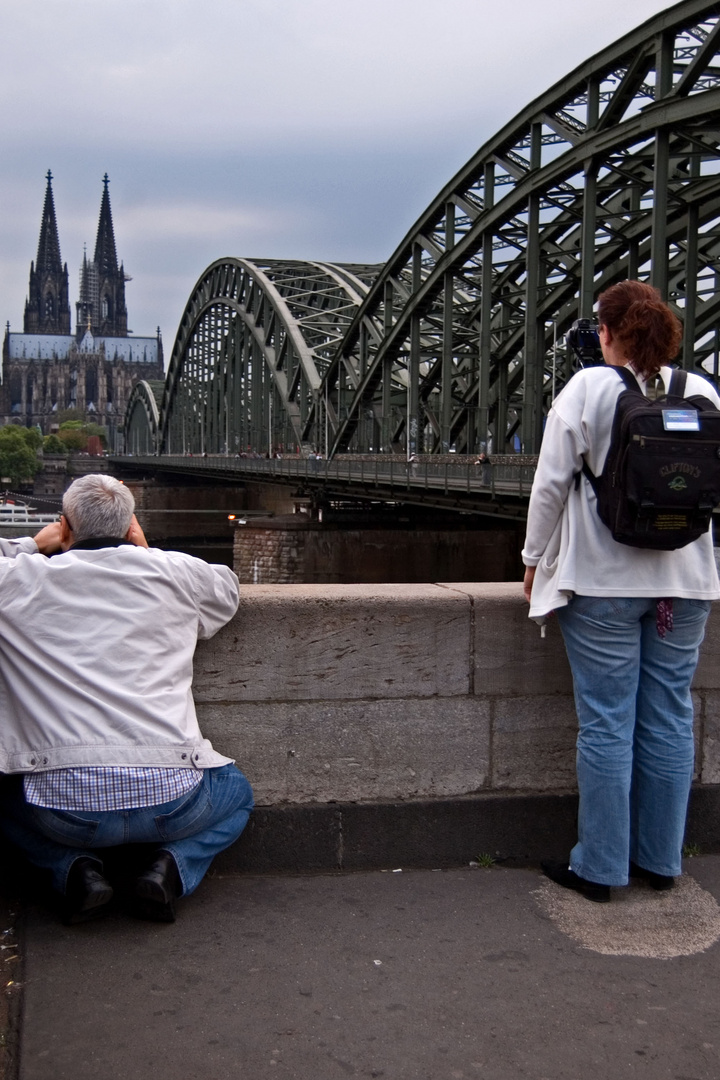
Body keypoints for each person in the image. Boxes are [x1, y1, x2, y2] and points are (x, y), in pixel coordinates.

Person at [522, 280, 720, 903]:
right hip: (685, 588)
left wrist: (532, 561)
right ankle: (661, 861)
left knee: (607, 726)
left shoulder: (587, 388)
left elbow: (550, 488)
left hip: (604, 584)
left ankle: (601, 869)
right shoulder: (703, 391)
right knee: (669, 720)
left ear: (605, 333)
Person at [0, 474, 253, 924]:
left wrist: (33, 546)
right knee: (238, 795)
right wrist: (147, 551)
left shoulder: (18, 581)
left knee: (5, 801)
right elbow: (227, 589)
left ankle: (74, 871)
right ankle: (169, 866)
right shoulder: (176, 573)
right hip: (175, 802)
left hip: (63, 812)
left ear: (64, 527)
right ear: (131, 525)